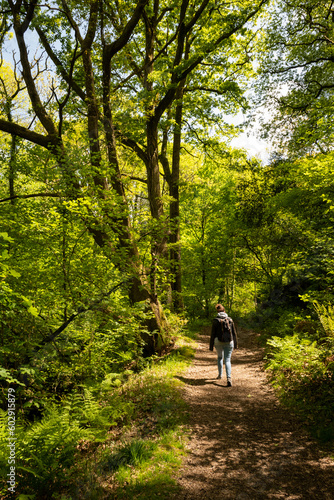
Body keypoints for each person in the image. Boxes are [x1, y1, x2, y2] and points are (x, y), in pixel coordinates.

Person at [209, 304, 238, 386]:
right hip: (229, 342)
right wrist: (235, 344)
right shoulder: (230, 319)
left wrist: (211, 346)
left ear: (217, 311)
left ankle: (220, 375)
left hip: (218, 342)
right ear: (224, 310)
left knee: (220, 357)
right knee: (227, 359)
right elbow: (233, 333)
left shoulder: (215, 320)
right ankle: (229, 378)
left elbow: (213, 334)